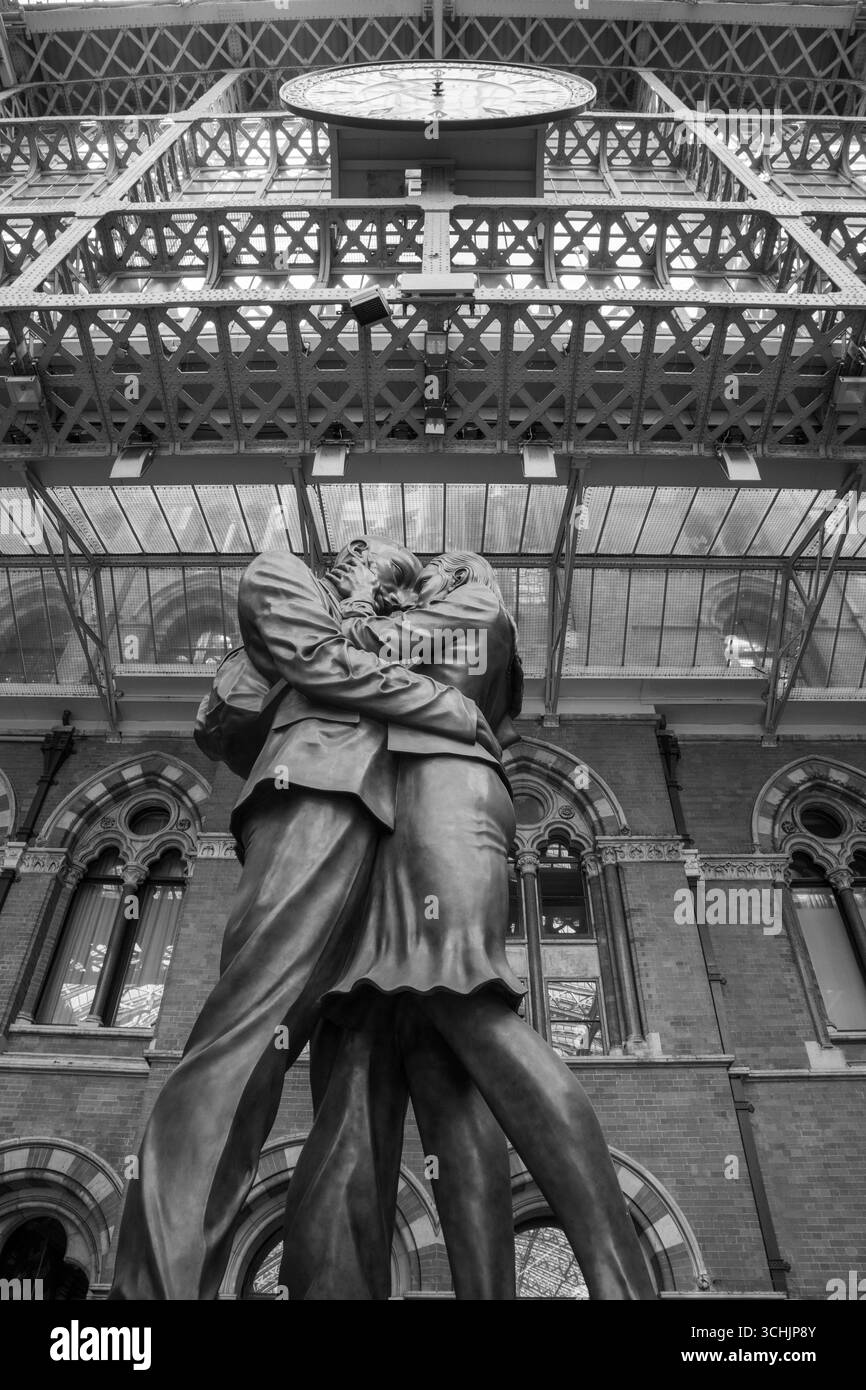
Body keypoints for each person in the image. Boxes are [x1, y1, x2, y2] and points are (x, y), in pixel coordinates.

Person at [109, 537, 499, 1301]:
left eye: (408, 584)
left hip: (392, 828)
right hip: (312, 794)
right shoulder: (280, 571)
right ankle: (147, 1303)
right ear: (350, 556)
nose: (400, 583)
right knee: (246, 1036)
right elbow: (317, 659)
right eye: (391, 567)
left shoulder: (396, 620)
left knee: (357, 1080)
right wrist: (447, 707)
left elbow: (454, 641)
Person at [279, 553, 656, 1301]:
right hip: (382, 815)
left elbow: (351, 651)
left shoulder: (478, 609)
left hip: (443, 797)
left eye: (430, 566)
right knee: (383, 1050)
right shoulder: (428, 619)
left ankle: (621, 1284)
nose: (401, 573)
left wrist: (356, 614)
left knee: (461, 994)